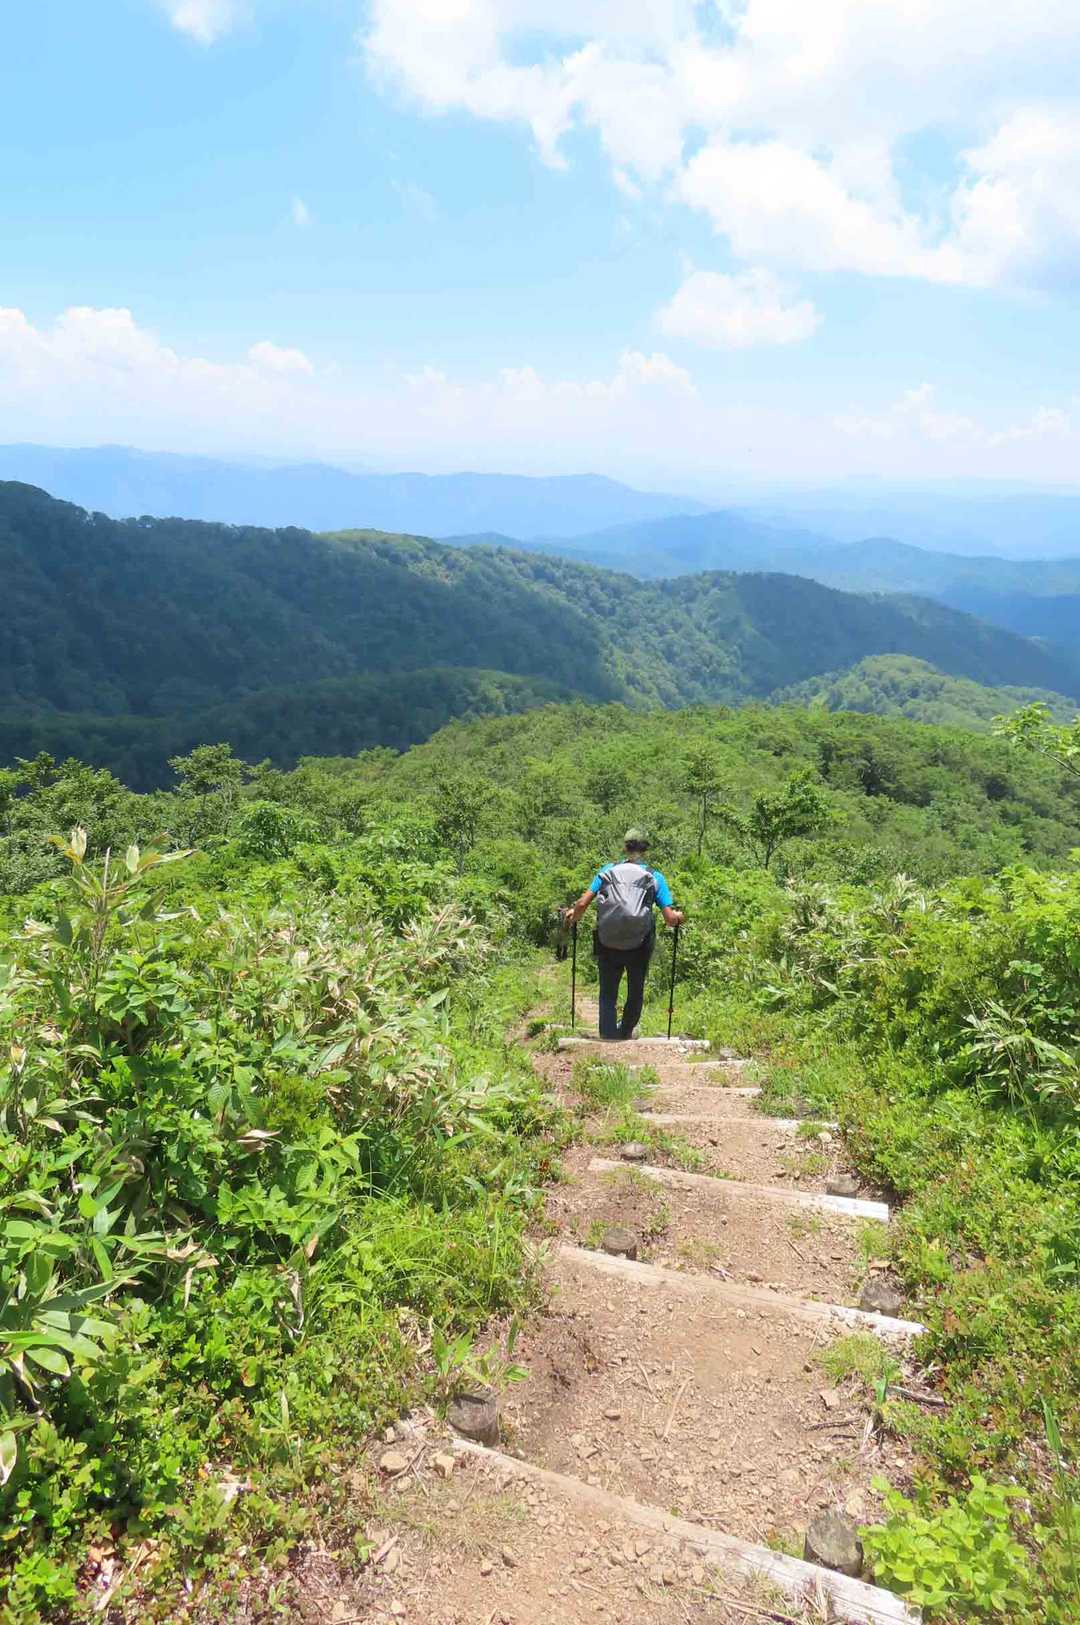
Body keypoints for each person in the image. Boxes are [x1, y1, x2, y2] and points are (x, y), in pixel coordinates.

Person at [563, 829, 684, 1042]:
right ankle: (626, 1031)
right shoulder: (654, 876)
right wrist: (679, 917)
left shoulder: (608, 871)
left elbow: (582, 904)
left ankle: (608, 1034)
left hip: (607, 941)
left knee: (607, 991)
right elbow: (669, 919)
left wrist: (574, 916)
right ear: (645, 850)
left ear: (625, 847)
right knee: (635, 989)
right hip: (640, 944)